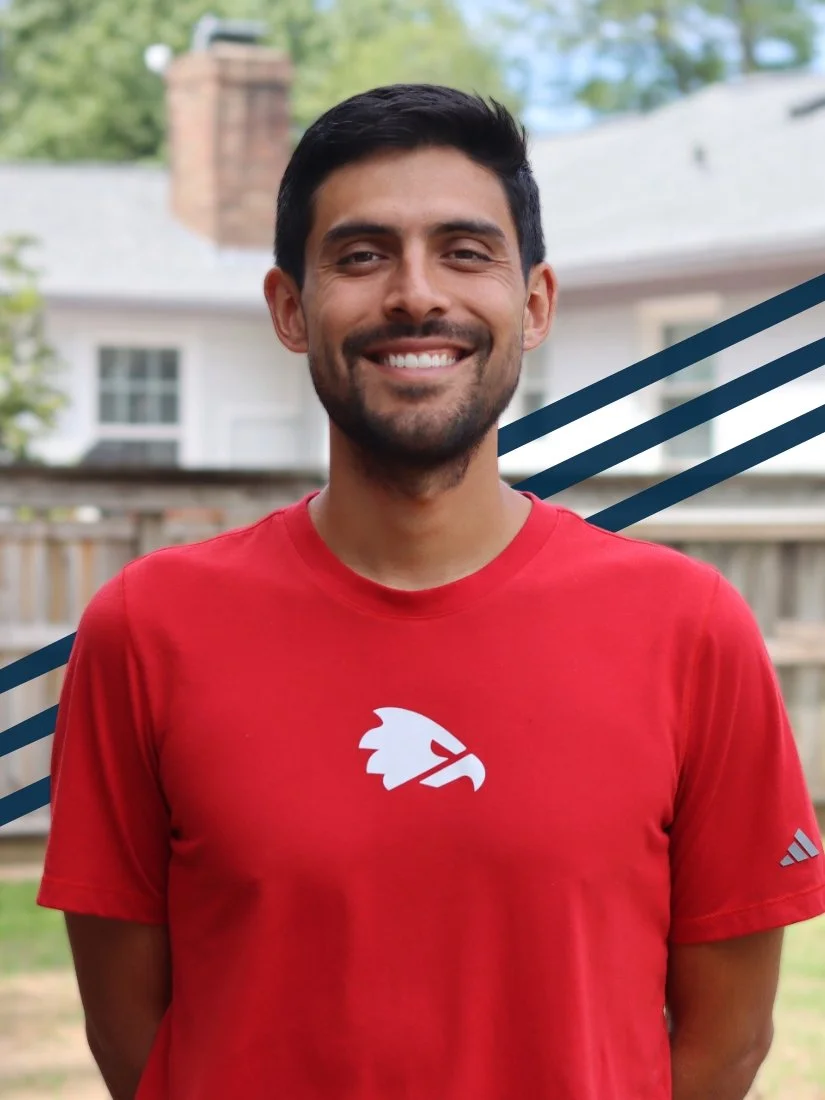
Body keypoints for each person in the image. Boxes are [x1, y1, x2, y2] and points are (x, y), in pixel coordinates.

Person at [38, 84, 825, 1100]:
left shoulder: (688, 628)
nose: (416, 294)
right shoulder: (148, 629)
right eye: (362, 255)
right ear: (290, 308)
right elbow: (132, 1036)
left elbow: (727, 1041)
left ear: (533, 305)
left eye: (464, 251)